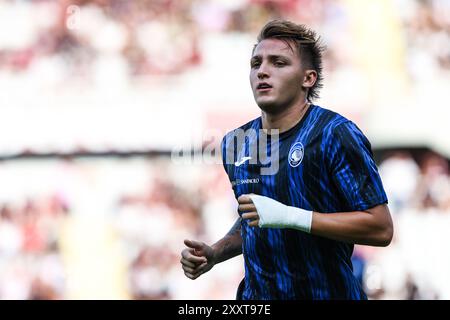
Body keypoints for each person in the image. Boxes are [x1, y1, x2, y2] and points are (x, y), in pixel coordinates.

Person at [180, 20, 393, 300]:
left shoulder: (335, 134)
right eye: (256, 63)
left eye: (278, 63)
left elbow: (380, 227)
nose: (263, 71)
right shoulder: (236, 142)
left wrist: (293, 217)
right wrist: (216, 252)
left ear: (308, 79)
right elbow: (256, 218)